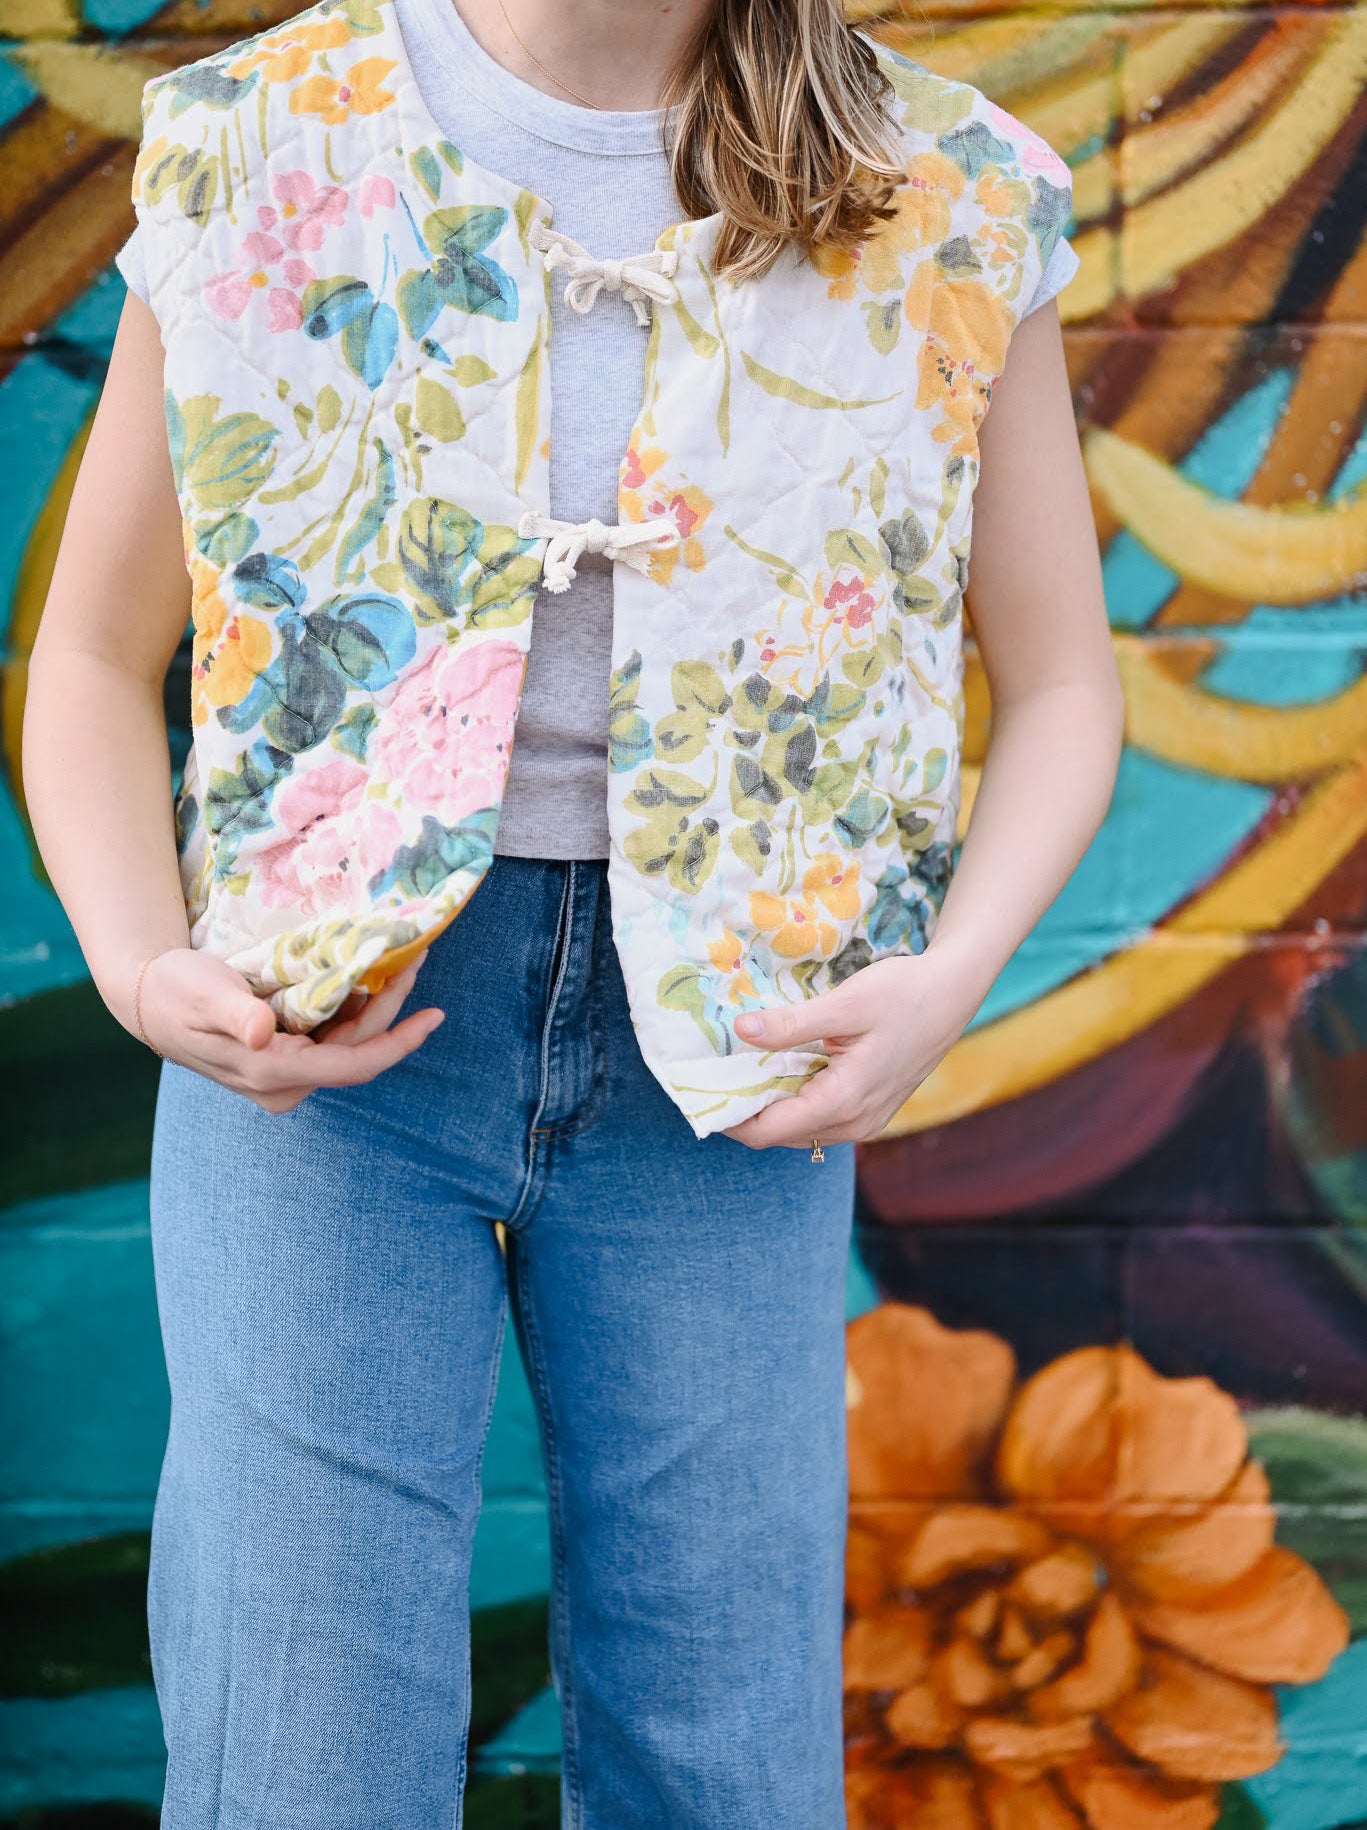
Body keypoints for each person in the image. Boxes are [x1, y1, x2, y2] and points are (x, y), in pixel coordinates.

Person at [21, 0, 1122, 1821]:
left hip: (736, 1067)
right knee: (304, 1760)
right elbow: (85, 648)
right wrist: (146, 964)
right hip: (320, 1061)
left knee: (724, 1763)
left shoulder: (943, 189)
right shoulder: (254, 136)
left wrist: (946, 984)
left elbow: (1068, 686)